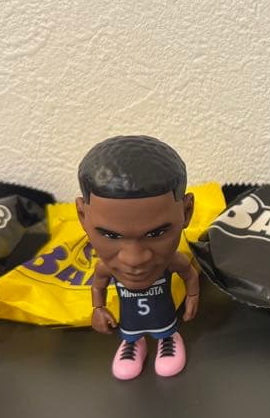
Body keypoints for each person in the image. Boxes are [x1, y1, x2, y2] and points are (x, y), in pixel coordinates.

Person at [77, 136, 199, 380]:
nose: (134, 259)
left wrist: (193, 296)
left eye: (156, 234)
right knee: (131, 332)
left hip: (164, 318)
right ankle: (132, 343)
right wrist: (98, 309)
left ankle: (168, 339)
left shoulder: (171, 262)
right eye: (110, 235)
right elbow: (98, 286)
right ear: (82, 216)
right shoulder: (105, 268)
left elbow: (189, 273)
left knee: (165, 329)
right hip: (130, 322)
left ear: (186, 212)